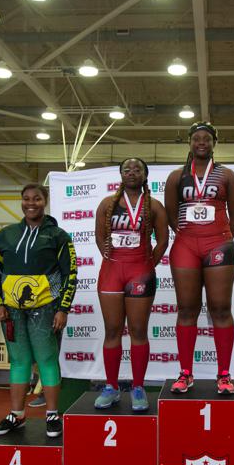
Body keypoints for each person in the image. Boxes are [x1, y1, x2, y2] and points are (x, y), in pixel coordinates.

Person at [0, 184, 77, 438]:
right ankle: (16, 415)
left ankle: (51, 414)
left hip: (46, 309)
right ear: (21, 201)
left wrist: (63, 308)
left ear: (45, 201)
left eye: (37, 199)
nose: (31, 203)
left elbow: (70, 274)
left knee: (47, 360)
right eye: (26, 199)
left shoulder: (58, 236)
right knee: (19, 362)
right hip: (11, 312)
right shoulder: (4, 236)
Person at [164, 121, 234, 394]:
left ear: (213, 143)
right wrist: (188, 235)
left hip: (219, 244)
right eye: (196, 138)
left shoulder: (227, 175)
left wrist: (220, 236)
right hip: (185, 244)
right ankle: (185, 373)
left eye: (206, 139)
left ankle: (224, 374)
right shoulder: (176, 177)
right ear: (189, 142)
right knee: (186, 309)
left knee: (220, 308)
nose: (201, 143)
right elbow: (171, 214)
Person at [94, 158, 169, 411]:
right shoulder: (107, 204)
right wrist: (112, 260)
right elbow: (100, 236)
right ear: (121, 175)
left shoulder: (155, 206)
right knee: (112, 331)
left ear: (145, 175)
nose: (132, 173)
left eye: (138, 169)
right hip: (112, 271)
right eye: (127, 169)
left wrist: (148, 266)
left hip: (140, 272)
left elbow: (162, 241)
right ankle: (111, 387)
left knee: (138, 331)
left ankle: (138, 387)